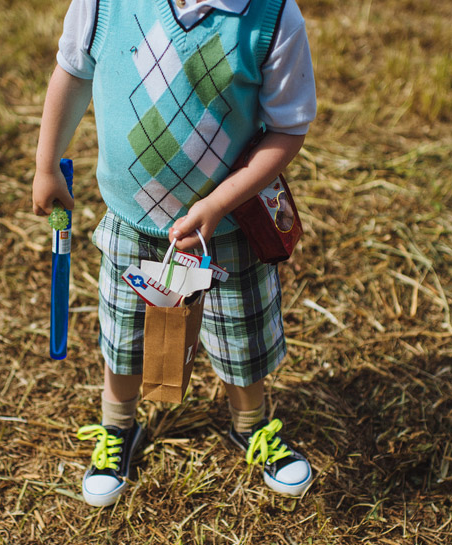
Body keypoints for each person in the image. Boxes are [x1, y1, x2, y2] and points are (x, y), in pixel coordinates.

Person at [32, 0, 316, 506]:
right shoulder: (104, 5)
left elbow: (287, 129)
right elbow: (72, 73)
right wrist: (46, 164)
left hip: (227, 229)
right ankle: (117, 429)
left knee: (240, 341)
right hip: (131, 222)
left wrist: (219, 202)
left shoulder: (271, 18)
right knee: (126, 338)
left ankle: (251, 426)